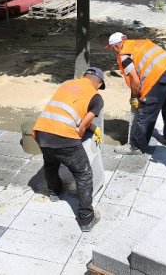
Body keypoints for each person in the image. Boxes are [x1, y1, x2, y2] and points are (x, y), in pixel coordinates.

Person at [32, 67, 105, 232]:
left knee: (50, 163)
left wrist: (93, 128)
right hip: (63, 136)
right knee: (84, 173)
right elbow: (82, 126)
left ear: (83, 76)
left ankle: (54, 192)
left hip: (41, 132)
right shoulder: (97, 98)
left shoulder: (66, 84)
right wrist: (84, 134)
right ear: (99, 84)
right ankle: (86, 218)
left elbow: (65, 110)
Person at [107, 32, 166, 154]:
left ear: (116, 46)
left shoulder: (124, 54)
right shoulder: (141, 43)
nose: (113, 51)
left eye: (112, 48)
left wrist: (135, 98)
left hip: (159, 78)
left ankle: (135, 147)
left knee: (146, 112)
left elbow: (135, 80)